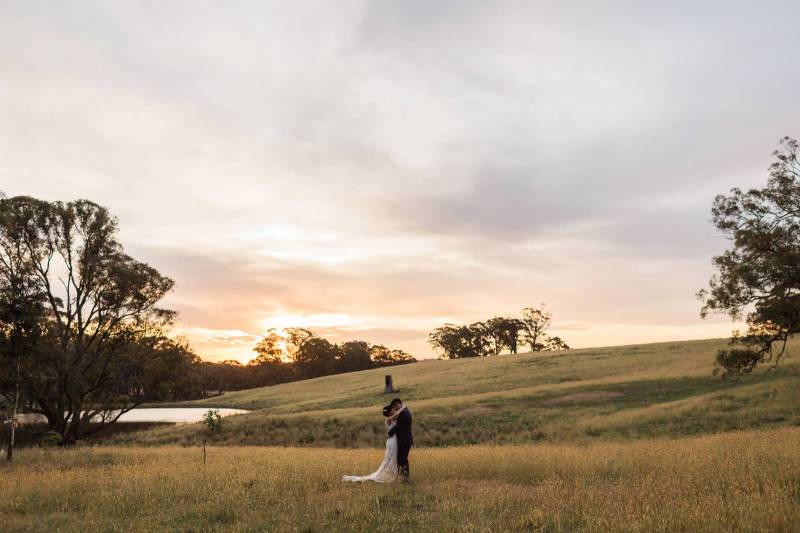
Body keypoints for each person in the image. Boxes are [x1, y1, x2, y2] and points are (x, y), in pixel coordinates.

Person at [342, 401, 408, 483]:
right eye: (393, 409)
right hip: (392, 442)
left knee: (393, 458)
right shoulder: (388, 419)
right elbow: (396, 415)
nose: (395, 410)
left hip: (394, 441)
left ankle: (394, 475)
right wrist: (402, 408)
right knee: (391, 458)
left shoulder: (394, 418)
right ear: (390, 412)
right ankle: (390, 476)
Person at [387, 398, 412, 481]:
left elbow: (398, 426)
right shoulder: (405, 411)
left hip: (404, 440)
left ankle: (404, 477)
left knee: (402, 459)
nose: (395, 409)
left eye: (395, 407)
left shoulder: (404, 413)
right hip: (405, 439)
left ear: (397, 404)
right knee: (402, 458)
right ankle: (404, 477)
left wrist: (389, 433)